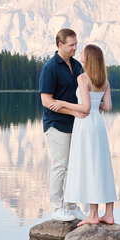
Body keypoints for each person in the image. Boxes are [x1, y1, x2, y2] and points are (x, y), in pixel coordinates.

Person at [49, 44, 117, 226]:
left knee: (90, 165)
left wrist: (64, 103)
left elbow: (84, 108)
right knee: (102, 164)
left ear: (89, 59)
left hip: (86, 124)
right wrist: (97, 105)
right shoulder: (105, 80)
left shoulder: (83, 78)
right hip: (98, 124)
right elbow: (108, 106)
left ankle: (93, 215)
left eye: (83, 53)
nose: (80, 54)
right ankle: (108, 214)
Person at [39, 28, 87, 222]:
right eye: (71, 45)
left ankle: (71, 205)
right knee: (60, 165)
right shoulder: (50, 67)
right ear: (60, 45)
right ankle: (57, 207)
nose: (76, 47)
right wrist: (73, 111)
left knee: (73, 166)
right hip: (56, 124)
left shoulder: (76, 66)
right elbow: (46, 100)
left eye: (76, 44)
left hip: (75, 124)